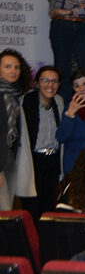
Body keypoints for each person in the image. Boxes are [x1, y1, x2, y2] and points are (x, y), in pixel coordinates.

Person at [19, 66, 64, 219]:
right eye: (45, 80)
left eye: (54, 81)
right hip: (33, 162)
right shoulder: (26, 102)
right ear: (37, 83)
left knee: (49, 209)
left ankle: (46, 242)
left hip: (52, 162)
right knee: (31, 207)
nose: (50, 85)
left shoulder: (59, 102)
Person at [0, 50, 33, 209]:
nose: (13, 71)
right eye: (8, 67)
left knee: (7, 211)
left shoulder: (15, 97)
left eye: (16, 67)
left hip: (10, 160)